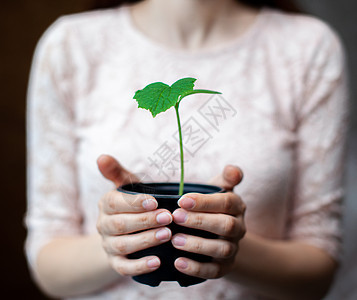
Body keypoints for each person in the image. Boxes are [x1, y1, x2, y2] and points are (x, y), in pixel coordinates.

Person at [25, 0, 349, 299]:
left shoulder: (309, 47)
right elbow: (48, 265)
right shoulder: (70, 44)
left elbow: (318, 269)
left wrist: (229, 245)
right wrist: (117, 241)